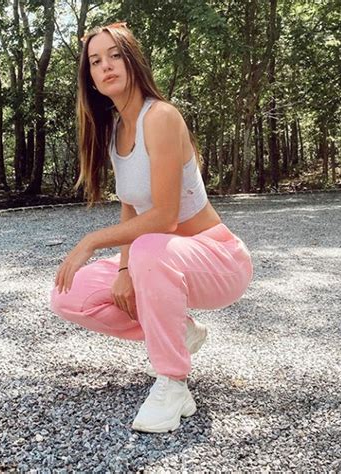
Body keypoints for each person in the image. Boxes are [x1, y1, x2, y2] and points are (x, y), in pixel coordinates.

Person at [49, 22, 253, 433]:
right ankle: (181, 330)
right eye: (95, 61)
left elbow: (163, 218)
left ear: (133, 61)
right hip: (157, 259)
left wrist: (92, 240)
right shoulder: (114, 132)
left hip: (218, 259)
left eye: (115, 56)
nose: (106, 66)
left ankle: (173, 381)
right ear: (90, 77)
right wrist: (124, 271)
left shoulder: (161, 117)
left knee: (148, 248)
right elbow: (132, 209)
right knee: (68, 296)